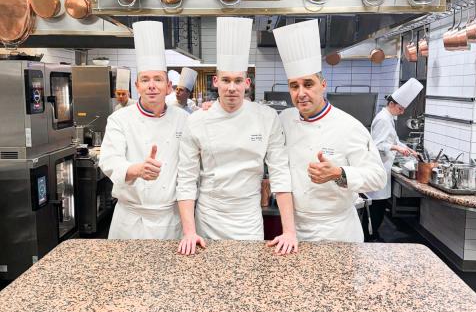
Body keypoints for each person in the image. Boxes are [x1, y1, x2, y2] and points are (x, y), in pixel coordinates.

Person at [176, 17, 297, 256]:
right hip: (208, 219)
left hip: (248, 219)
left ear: (247, 83)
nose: (232, 87)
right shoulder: (197, 120)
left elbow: (280, 173)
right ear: (215, 81)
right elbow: (187, 180)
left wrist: (289, 231)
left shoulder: (266, 117)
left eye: (238, 80)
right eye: (226, 80)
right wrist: (189, 232)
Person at [273, 19, 387, 244]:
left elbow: (378, 177)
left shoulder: (349, 126)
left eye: (308, 84)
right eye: (294, 86)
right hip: (294, 231)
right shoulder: (284, 119)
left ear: (323, 85)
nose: (301, 92)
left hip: (337, 231)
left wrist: (339, 173)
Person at [99, 21, 188, 239]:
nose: (151, 85)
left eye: (158, 79)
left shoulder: (184, 119)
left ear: (168, 87)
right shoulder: (119, 119)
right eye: (145, 79)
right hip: (130, 221)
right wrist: (137, 169)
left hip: (170, 219)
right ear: (137, 86)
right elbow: (109, 161)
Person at [364, 78, 424, 240]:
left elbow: (393, 139)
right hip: (378, 168)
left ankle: (371, 234)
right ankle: (370, 236)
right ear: (391, 104)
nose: (402, 112)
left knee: (380, 204)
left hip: (384, 168)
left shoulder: (388, 118)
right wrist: (397, 148)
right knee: (377, 205)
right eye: (400, 108)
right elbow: (377, 144)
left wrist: (407, 148)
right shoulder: (383, 119)